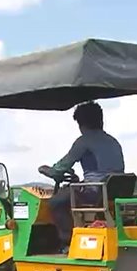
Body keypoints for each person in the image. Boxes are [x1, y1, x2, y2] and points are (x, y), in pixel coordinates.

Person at [45, 101, 125, 249]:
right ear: (101, 120)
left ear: (82, 124)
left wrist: (47, 170)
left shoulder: (84, 141)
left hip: (96, 191)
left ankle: (68, 241)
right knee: (71, 192)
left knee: (55, 202)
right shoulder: (113, 142)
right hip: (115, 190)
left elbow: (61, 167)